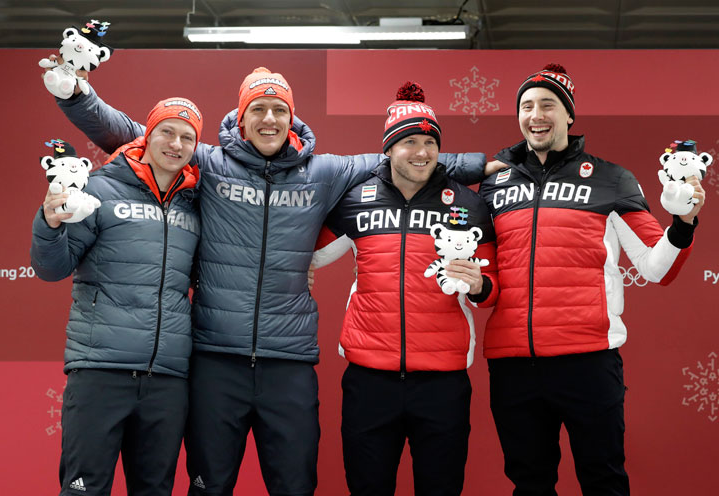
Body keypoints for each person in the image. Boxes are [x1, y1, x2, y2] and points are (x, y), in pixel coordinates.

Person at [48, 65, 489, 495]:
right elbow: (131, 134)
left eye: (279, 109)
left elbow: (407, 155)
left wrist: (482, 165)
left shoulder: (324, 171)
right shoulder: (209, 162)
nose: (269, 119)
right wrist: (76, 96)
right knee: (210, 485)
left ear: (292, 119)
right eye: (257, 109)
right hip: (216, 359)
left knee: (295, 485)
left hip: (288, 363)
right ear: (242, 120)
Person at [478, 63, 705, 495]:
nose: (536, 115)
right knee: (529, 483)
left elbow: (658, 268)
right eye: (527, 106)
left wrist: (684, 223)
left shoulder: (612, 178)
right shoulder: (494, 184)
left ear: (569, 115)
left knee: (603, 481)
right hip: (512, 365)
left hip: (588, 362)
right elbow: (483, 283)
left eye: (548, 104)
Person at [311, 82, 499, 496]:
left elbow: (492, 290)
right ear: (389, 149)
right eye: (410, 141)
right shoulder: (356, 198)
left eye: (430, 142)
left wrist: (481, 285)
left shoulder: (467, 204)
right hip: (369, 380)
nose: (422, 151)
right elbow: (311, 254)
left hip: (443, 383)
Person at [31, 97, 203, 495]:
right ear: (147, 136)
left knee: (154, 489)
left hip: (167, 380)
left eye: (187, 137)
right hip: (100, 371)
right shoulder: (99, 190)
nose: (175, 144)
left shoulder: (195, 204)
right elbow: (52, 268)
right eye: (166, 132)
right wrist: (49, 223)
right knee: (83, 489)